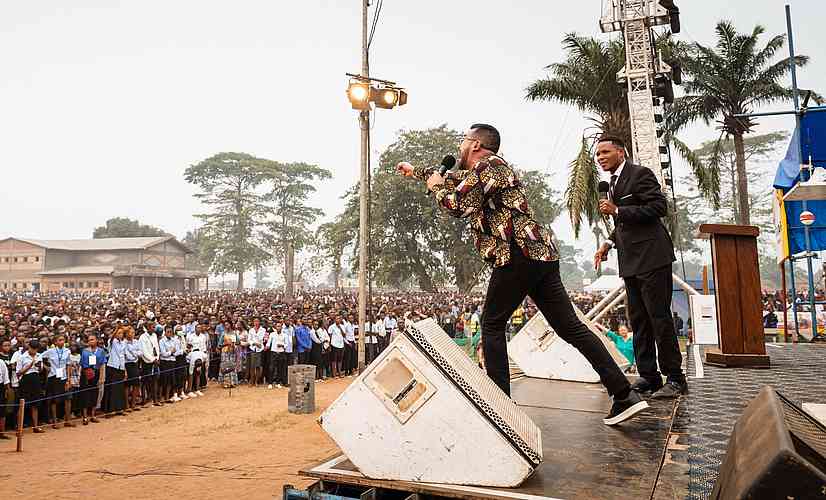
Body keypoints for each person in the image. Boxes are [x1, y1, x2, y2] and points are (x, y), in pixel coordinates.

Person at [398, 123, 648, 425]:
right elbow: (453, 179)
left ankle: (500, 406)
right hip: (538, 254)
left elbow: (458, 205)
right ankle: (623, 394)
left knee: (491, 324)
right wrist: (419, 172)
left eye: (464, 141)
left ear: (476, 145)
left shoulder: (490, 166)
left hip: (517, 254)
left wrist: (435, 185)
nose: (460, 147)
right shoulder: (485, 171)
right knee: (570, 328)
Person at [594, 135, 687, 399]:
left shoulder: (640, 174)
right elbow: (622, 221)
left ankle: (676, 378)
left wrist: (618, 211)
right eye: (597, 154)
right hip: (630, 260)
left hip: (652, 256)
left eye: (605, 152)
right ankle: (649, 376)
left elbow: (658, 208)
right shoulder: (611, 183)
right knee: (639, 320)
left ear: (621, 153)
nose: (600, 158)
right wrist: (608, 244)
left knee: (659, 318)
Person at [43, 333, 75, 428]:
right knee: (54, 400)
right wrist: (46, 367)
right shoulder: (50, 351)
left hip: (64, 377)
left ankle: (68, 420)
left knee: (68, 398)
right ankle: (54, 421)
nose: (62, 342)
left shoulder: (67, 351)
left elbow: (68, 365)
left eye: (63, 340)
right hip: (53, 377)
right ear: (55, 342)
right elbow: (39, 358)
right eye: (59, 340)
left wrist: (69, 379)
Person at [17, 340, 45, 432]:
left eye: (35, 349)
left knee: (35, 405)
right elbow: (18, 373)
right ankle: (19, 428)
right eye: (32, 348)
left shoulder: (39, 355)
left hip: (36, 380)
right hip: (25, 381)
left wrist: (39, 367)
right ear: (28, 347)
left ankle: (35, 427)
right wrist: (29, 366)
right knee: (23, 405)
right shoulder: (22, 357)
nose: (34, 351)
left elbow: (40, 370)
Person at [79, 334, 107, 425]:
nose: (91, 341)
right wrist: (85, 374)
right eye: (89, 340)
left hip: (97, 373)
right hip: (86, 374)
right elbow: (82, 364)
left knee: (95, 394)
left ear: (96, 340)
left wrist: (102, 377)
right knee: (85, 395)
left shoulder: (101, 351)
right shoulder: (84, 351)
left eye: (92, 339)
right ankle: (85, 416)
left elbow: (102, 364)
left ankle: (93, 415)